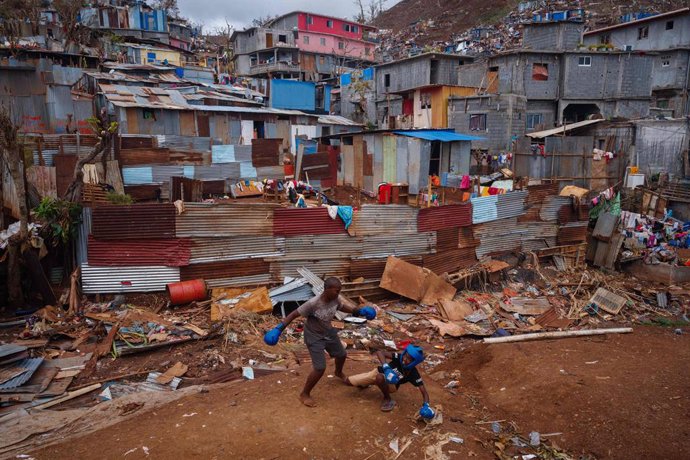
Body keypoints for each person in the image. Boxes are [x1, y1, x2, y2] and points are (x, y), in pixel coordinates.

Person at [263, 277, 376, 407]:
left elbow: (342, 306)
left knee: (342, 355)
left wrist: (358, 311)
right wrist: (279, 329)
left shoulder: (335, 298)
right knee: (320, 368)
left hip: (328, 332)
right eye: (336, 291)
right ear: (326, 289)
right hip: (314, 336)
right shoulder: (313, 303)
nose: (338, 293)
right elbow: (294, 314)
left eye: (339, 291)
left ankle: (338, 373)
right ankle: (304, 394)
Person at [345, 345, 435, 419]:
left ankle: (387, 398)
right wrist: (386, 367)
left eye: (409, 359)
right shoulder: (398, 357)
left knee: (379, 378)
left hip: (391, 385)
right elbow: (380, 353)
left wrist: (426, 405)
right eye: (405, 355)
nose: (404, 359)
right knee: (348, 382)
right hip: (377, 372)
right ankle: (366, 383)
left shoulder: (413, 373)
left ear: (414, 362)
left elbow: (424, 392)